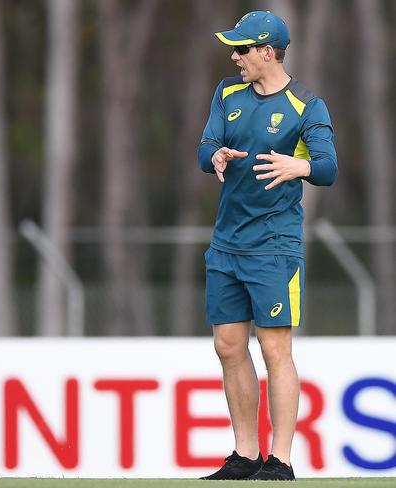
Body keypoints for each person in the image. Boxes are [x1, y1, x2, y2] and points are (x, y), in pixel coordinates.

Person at [197, 11, 337, 481]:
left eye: (242, 49)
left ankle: (280, 460)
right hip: (226, 244)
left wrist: (300, 168)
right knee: (228, 345)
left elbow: (328, 167)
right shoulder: (227, 92)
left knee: (275, 349)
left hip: (274, 247)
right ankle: (244, 454)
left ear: (268, 52)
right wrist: (215, 154)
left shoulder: (306, 105)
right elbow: (205, 149)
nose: (235, 57)